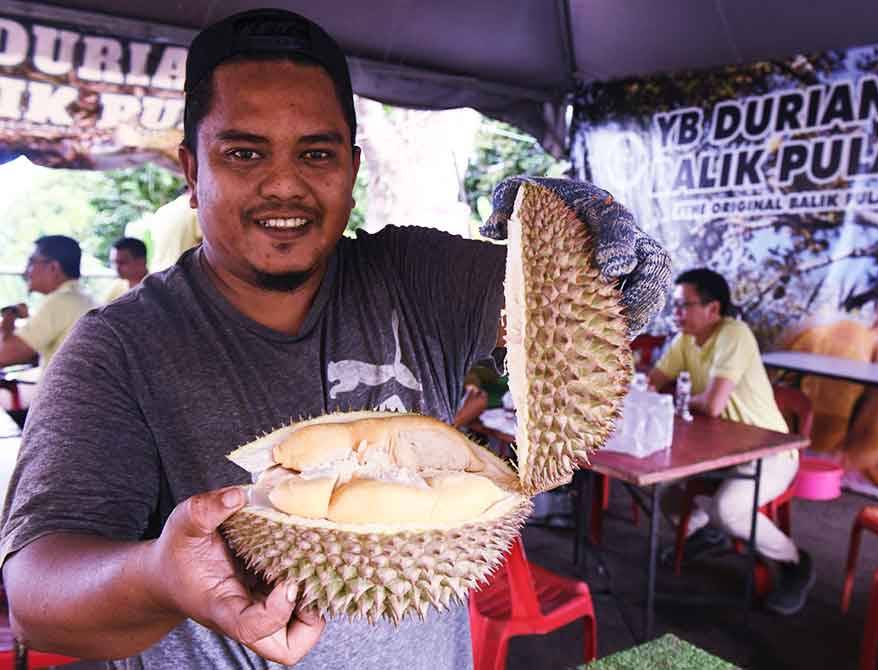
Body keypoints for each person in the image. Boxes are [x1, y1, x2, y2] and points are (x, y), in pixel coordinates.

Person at [0, 9, 671, 670]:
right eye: (243, 152)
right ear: (190, 170)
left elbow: (573, 317)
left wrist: (579, 243)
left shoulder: (415, 276)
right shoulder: (118, 348)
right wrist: (156, 575)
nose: (284, 184)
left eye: (316, 153)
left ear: (351, 171)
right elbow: (36, 593)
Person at [648, 268, 814, 615]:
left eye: (684, 306)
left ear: (713, 309)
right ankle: (702, 532)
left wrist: (673, 399)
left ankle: (794, 561)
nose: (676, 314)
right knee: (656, 480)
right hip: (718, 449)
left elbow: (712, 404)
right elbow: (652, 383)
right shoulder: (684, 340)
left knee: (729, 509)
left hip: (770, 450)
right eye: (675, 306)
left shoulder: (733, 334)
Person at [0, 235, 97, 373]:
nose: (26, 271)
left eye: (31, 262)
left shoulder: (61, 302)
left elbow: (4, 355)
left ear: (53, 267)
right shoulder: (82, 297)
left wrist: (11, 314)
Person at [103, 237, 150, 302]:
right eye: (113, 262)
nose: (117, 268)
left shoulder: (157, 289)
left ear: (141, 261)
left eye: (122, 262)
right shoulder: (115, 288)